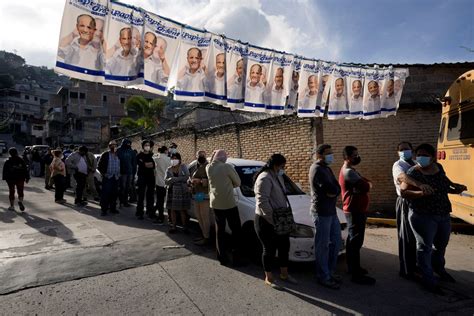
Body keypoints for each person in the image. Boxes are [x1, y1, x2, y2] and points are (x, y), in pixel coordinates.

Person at [401, 143, 467, 294]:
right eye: (419, 155)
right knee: (424, 248)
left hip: (443, 214)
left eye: (425, 155)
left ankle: (440, 270)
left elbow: (445, 184)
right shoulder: (413, 172)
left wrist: (455, 188)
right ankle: (428, 279)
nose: (421, 158)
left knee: (441, 246)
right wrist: (420, 193)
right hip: (423, 216)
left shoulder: (439, 168)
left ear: (432, 157)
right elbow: (404, 193)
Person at [254, 153, 297, 290]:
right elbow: (262, 202)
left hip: (280, 219)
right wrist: (273, 221)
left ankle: (284, 274)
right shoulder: (265, 178)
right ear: (276, 165)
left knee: (284, 247)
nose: (283, 168)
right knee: (269, 250)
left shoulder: (277, 176)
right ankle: (269, 277)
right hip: (266, 220)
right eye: (282, 166)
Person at [392, 142, 434, 280]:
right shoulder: (398, 165)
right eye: (402, 149)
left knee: (419, 237)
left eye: (407, 149)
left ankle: (418, 267)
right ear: (398, 152)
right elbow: (402, 177)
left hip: (420, 202)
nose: (405, 151)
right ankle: (406, 269)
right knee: (406, 237)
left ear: (412, 150)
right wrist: (420, 184)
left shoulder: (417, 163)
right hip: (405, 201)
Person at [338, 146, 376, 285]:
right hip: (355, 210)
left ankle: (353, 268)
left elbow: (364, 181)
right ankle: (356, 274)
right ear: (347, 157)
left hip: (356, 209)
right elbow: (366, 186)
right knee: (355, 242)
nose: (357, 157)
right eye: (354, 155)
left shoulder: (351, 170)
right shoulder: (348, 172)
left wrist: (365, 183)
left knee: (353, 240)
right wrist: (367, 185)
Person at [309, 144, 342, 289]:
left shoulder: (327, 168)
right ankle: (323, 276)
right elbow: (329, 189)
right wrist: (334, 191)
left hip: (331, 211)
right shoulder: (316, 169)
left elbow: (337, 187)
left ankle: (330, 271)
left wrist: (334, 191)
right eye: (328, 153)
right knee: (322, 246)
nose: (331, 155)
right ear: (319, 155)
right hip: (321, 212)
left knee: (336, 242)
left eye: (331, 152)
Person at [206, 149, 242, 266]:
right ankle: (237, 258)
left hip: (215, 203)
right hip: (228, 202)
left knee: (220, 230)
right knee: (236, 230)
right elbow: (238, 182)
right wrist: (228, 184)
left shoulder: (208, 167)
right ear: (224, 159)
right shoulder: (226, 167)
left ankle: (222, 258)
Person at [165, 152, 191, 233]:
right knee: (172, 210)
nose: (174, 160)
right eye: (172, 158)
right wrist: (176, 179)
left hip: (182, 191)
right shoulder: (168, 169)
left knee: (182, 210)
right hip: (172, 191)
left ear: (179, 159)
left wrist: (173, 179)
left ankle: (184, 227)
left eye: (175, 158)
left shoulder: (183, 167)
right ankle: (173, 227)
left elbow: (186, 177)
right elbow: (166, 181)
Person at [189, 151, 211, 245]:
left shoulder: (208, 166)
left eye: (203, 155)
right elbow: (191, 176)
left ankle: (207, 237)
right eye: (199, 155)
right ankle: (204, 234)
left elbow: (211, 180)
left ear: (205, 156)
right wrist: (189, 182)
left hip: (204, 194)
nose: (201, 156)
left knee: (204, 216)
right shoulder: (195, 165)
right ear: (196, 156)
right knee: (199, 215)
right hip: (197, 194)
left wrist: (201, 181)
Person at [97, 141, 121, 216]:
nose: (113, 146)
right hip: (108, 177)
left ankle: (112, 209)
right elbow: (99, 165)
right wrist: (104, 174)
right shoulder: (105, 154)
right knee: (105, 194)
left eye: (115, 145)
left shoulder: (118, 155)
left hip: (116, 177)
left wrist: (119, 173)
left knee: (114, 194)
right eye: (112, 145)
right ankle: (104, 210)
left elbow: (121, 165)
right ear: (109, 146)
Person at [2, 147, 29, 211]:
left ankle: (12, 206)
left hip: (10, 179)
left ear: (10, 153)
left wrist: (5, 178)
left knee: (11, 191)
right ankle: (20, 201)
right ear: (16, 152)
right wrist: (27, 177)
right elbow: (25, 169)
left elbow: (5, 171)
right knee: (20, 190)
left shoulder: (8, 161)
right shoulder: (21, 160)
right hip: (20, 178)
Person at [136, 140, 156, 220]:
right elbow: (143, 164)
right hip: (142, 177)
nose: (147, 146)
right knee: (141, 195)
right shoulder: (139, 155)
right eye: (146, 145)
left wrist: (146, 164)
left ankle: (150, 211)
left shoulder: (152, 155)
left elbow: (153, 165)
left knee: (150, 195)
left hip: (151, 177)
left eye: (148, 145)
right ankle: (140, 212)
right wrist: (147, 164)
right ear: (143, 146)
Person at [116, 138, 137, 207]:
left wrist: (134, 173)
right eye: (127, 143)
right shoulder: (118, 150)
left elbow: (134, 163)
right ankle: (121, 202)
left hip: (130, 173)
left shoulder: (131, 152)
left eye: (129, 143)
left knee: (127, 188)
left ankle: (125, 201)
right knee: (122, 188)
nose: (128, 145)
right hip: (122, 173)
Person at [153, 146, 171, 224]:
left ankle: (160, 217)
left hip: (159, 183)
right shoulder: (169, 159)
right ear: (166, 150)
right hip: (168, 183)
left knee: (160, 201)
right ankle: (170, 218)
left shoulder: (157, 158)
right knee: (168, 201)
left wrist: (158, 153)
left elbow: (153, 157)